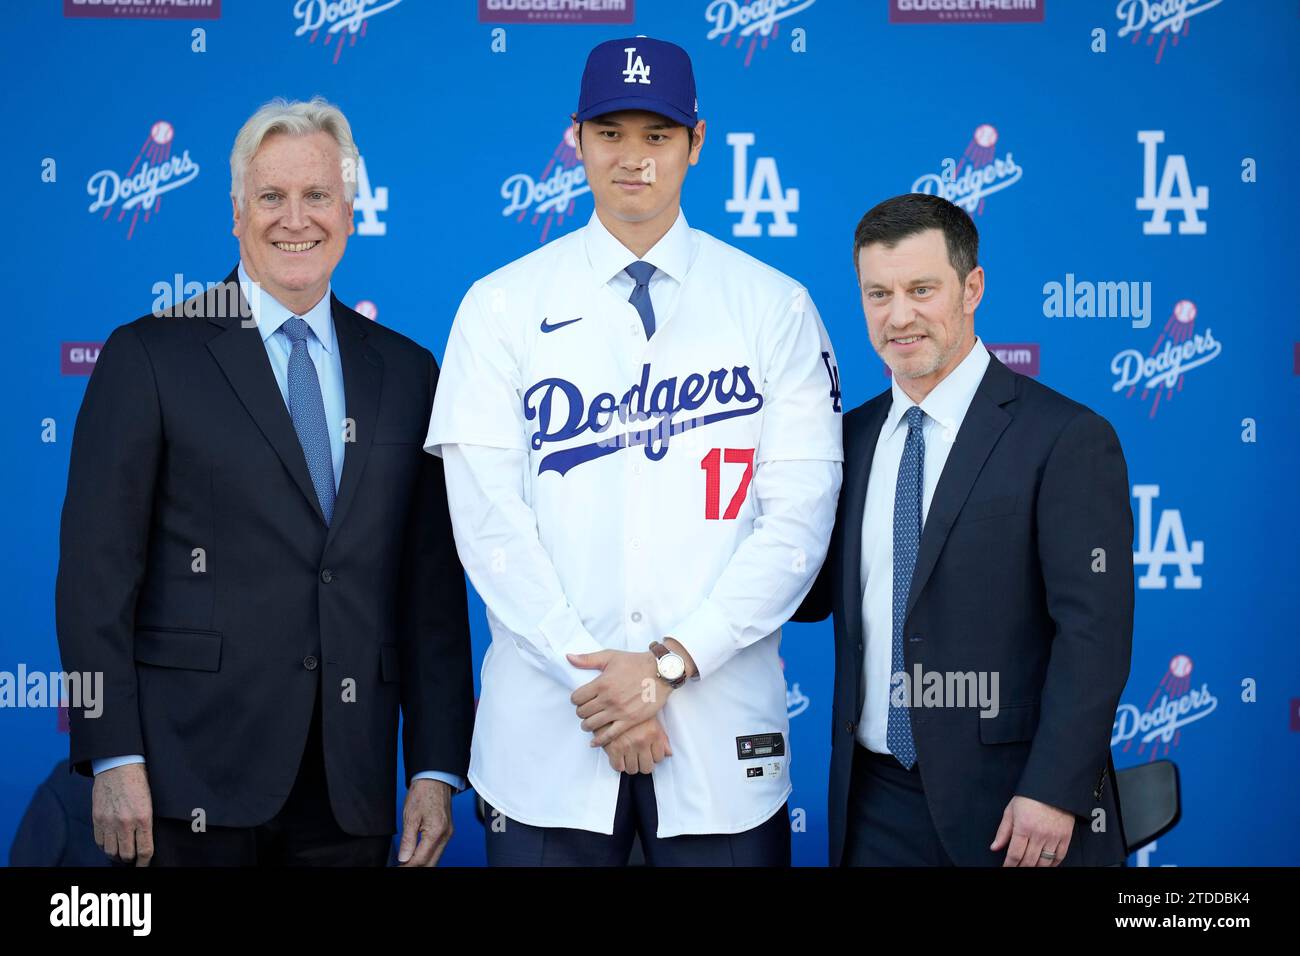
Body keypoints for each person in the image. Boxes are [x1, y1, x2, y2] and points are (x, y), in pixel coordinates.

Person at [425, 37, 843, 866]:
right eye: (611, 132)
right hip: (547, 738)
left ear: (697, 141)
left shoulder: (774, 307)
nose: (634, 158)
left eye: (658, 135)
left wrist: (669, 665)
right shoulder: (501, 305)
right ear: (574, 139)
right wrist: (605, 686)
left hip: (721, 735)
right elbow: (488, 526)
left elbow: (797, 525)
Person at [55, 97, 474, 867]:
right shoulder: (149, 357)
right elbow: (93, 580)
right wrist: (112, 755)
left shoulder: (409, 373)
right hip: (186, 781)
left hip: (350, 789)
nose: (296, 219)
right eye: (271, 197)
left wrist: (435, 768)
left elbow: (432, 598)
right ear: (237, 215)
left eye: (317, 196)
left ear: (350, 212)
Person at [796, 192, 1133, 867]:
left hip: (1015, 808)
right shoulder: (846, 439)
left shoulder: (1066, 438)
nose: (899, 316)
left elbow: (1093, 634)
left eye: (922, 289)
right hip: (873, 801)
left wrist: (1054, 790)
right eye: (878, 293)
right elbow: (807, 593)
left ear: (971, 287)